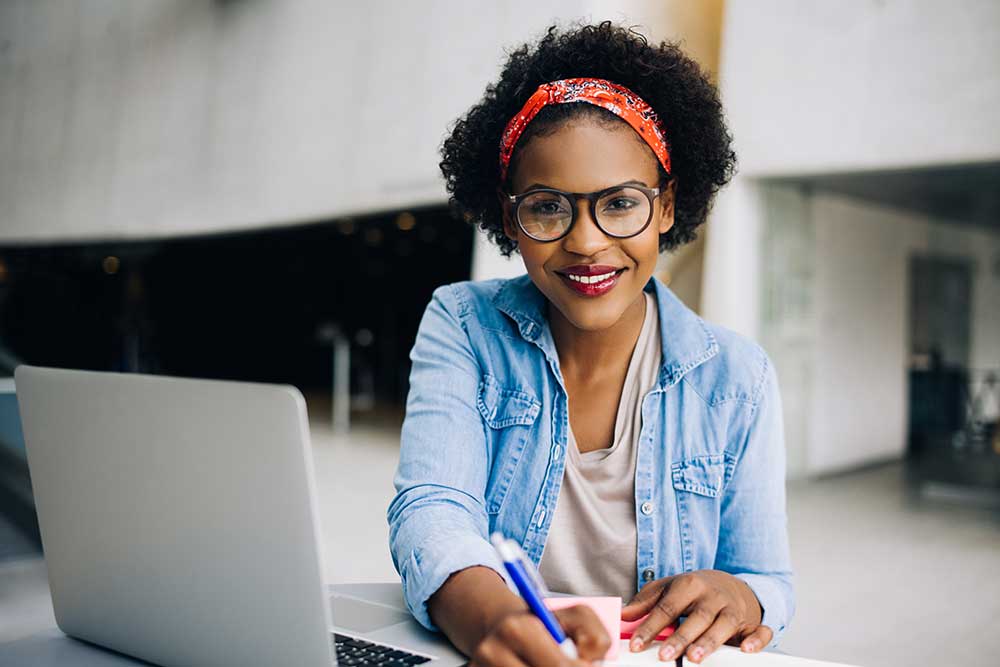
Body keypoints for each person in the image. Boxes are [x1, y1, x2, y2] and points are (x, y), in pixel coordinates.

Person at [387, 22, 793, 667]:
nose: (585, 242)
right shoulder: (464, 324)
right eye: (548, 207)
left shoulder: (738, 377)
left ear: (665, 207)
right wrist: (498, 623)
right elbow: (433, 508)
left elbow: (769, 580)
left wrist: (740, 595)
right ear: (507, 214)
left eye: (621, 204)